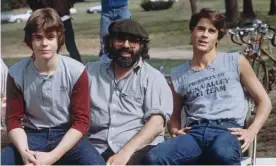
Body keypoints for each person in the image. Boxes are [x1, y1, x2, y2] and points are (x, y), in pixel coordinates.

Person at [144, 8, 272, 165]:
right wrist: (175, 130)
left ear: (218, 37)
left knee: (222, 153)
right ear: (192, 32)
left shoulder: (235, 61)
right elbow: (174, 112)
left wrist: (252, 131)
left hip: (228, 131)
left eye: (212, 31)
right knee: (155, 157)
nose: (205, 35)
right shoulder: (179, 73)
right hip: (194, 132)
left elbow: (264, 101)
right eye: (200, 28)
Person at [1, 8, 105, 165]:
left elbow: (81, 121)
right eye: (38, 37)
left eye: (50, 37)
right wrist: (25, 153)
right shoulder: (17, 73)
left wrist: (52, 156)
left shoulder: (76, 71)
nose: (44, 43)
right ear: (30, 40)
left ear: (59, 39)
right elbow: (14, 120)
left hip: (66, 134)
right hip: (31, 134)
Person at [86, 18, 173, 165]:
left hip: (137, 148)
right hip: (96, 147)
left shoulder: (152, 78)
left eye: (133, 41)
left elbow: (157, 123)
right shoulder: (91, 72)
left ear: (141, 45)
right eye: (120, 39)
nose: (126, 45)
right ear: (111, 42)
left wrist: (125, 153)